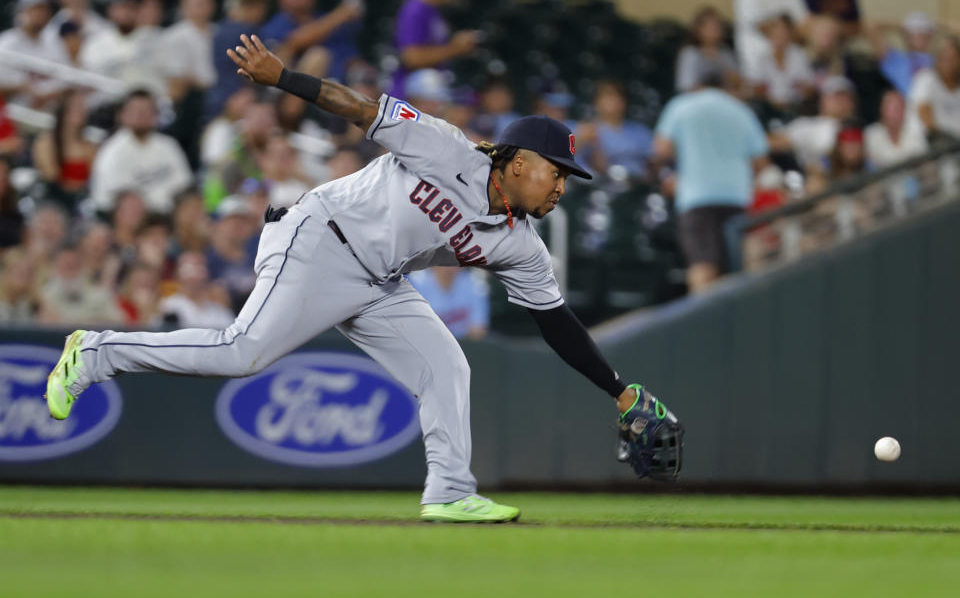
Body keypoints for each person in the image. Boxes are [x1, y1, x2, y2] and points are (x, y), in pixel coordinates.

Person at [44, 33, 684, 522]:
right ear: (516, 162)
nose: (560, 185)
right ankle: (95, 352)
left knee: (447, 366)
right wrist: (281, 78)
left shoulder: (522, 245)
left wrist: (619, 390)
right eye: (555, 171)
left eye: (566, 178)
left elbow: (557, 323)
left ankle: (451, 493)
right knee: (241, 353)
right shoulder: (446, 146)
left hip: (377, 279)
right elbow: (357, 107)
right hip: (319, 237)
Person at [654, 71, 769, 293]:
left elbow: (661, 149)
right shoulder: (742, 110)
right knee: (736, 269)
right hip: (736, 197)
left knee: (702, 266)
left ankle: (703, 326)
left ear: (697, 85)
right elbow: (761, 161)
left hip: (696, 198)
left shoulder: (682, 105)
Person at [89, 89, 193, 215]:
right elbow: (122, 204)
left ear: (156, 115)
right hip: (133, 219)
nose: (142, 115)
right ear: (122, 115)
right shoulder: (112, 153)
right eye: (136, 110)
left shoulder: (168, 145)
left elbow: (184, 185)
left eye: (147, 110)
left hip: (170, 215)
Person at [391, 0, 482, 99]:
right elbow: (412, 57)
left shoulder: (433, 10)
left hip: (429, 94)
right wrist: (455, 48)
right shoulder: (416, 8)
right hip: (413, 96)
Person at [258, 0, 364, 81]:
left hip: (338, 89)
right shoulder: (274, 25)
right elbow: (294, 42)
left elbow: (351, 58)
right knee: (317, 56)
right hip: (297, 92)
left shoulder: (328, 22)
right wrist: (342, 13)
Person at [733, 0, 810, 77]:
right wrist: (782, 30)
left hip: (788, 45)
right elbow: (759, 26)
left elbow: (804, 21)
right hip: (757, 49)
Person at [0, 0, 65, 109]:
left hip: (49, 111)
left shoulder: (54, 42)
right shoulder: (6, 42)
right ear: (21, 12)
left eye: (44, 10)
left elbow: (66, 79)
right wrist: (23, 88)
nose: (40, 15)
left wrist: (49, 95)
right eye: (34, 9)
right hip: (13, 112)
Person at [31, 90, 98, 207]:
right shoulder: (47, 142)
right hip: (53, 200)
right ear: (64, 110)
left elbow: (92, 180)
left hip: (79, 201)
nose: (81, 111)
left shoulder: (89, 147)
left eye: (82, 107)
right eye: (76, 107)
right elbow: (50, 177)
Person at [159, 0, 218, 102]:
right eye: (194, 0)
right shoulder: (172, 36)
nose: (199, 3)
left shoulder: (220, 32)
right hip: (191, 99)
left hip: (222, 94)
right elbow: (178, 77)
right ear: (183, 5)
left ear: (213, 4)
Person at [747, 14, 815, 109]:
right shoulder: (761, 57)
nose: (780, 36)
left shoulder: (799, 55)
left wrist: (803, 88)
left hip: (797, 105)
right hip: (769, 106)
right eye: (776, 33)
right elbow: (756, 87)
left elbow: (809, 86)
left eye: (784, 32)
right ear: (769, 35)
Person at [407, 267, 489, 339]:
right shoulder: (415, 282)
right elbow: (413, 329)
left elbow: (478, 331)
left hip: (463, 349)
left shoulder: (475, 285)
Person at [676, 6, 740, 93]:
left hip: (725, 99)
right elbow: (687, 86)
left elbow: (738, 83)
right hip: (698, 100)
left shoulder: (725, 52)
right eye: (709, 26)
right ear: (698, 29)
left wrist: (720, 62)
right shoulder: (690, 53)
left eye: (717, 25)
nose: (714, 29)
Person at [906, 37, 960, 141]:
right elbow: (924, 110)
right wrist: (941, 136)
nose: (947, 64)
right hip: (931, 145)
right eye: (943, 58)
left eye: (952, 59)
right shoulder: (925, 78)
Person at [869, 12, 936, 96]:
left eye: (924, 31)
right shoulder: (896, 60)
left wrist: (936, 27)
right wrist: (901, 27)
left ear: (930, 36)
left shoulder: (940, 61)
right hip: (903, 106)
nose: (919, 34)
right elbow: (872, 27)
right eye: (914, 32)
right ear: (906, 35)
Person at [864, 90, 928, 168]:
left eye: (899, 108)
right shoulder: (870, 135)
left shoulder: (916, 133)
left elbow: (926, 166)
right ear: (882, 110)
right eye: (891, 108)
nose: (896, 114)